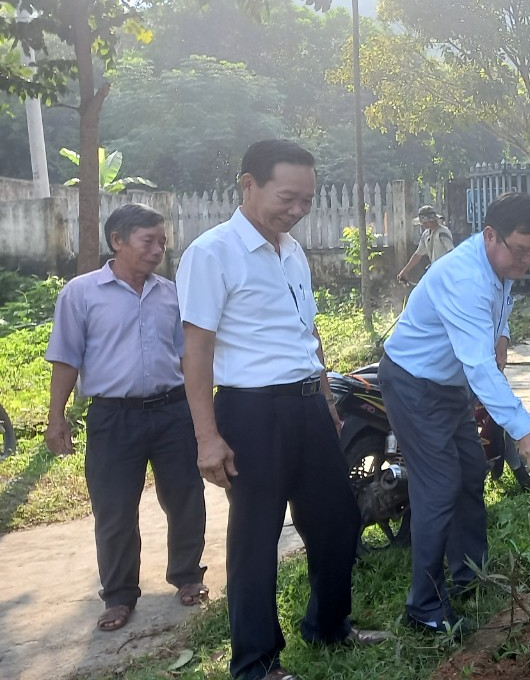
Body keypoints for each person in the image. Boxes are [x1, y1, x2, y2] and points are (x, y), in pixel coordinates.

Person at [177, 139, 387, 680]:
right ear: (248, 185)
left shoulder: (291, 250)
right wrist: (207, 437)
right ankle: (255, 662)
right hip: (251, 413)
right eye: (286, 197)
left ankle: (329, 627)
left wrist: (324, 396)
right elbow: (196, 351)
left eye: (306, 200)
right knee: (255, 539)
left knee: (337, 521)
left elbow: (305, 332)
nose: (296, 210)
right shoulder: (212, 253)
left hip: (308, 408)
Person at [378, 191, 530, 634]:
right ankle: (424, 606)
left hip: (448, 385)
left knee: (471, 470)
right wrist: (526, 431)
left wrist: (504, 337)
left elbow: (498, 317)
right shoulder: (464, 277)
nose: (529, 261)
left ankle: (468, 572)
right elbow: (480, 369)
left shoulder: (500, 264)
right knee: (439, 487)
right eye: (522, 251)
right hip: (414, 384)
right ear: (490, 235)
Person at [45, 203, 208, 633]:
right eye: (148, 241)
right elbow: (65, 358)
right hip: (113, 418)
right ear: (117, 241)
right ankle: (118, 596)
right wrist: (55, 417)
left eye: (163, 242)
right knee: (114, 509)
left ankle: (188, 575)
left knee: (185, 496)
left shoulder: (171, 293)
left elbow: (189, 356)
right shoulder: (80, 294)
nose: (159, 250)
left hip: (174, 411)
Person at [396, 205, 454, 284]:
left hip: (445, 273)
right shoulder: (426, 234)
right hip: (434, 273)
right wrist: (404, 271)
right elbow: (418, 254)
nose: (423, 225)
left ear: (432, 220)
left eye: (425, 222)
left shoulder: (443, 232)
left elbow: (451, 252)